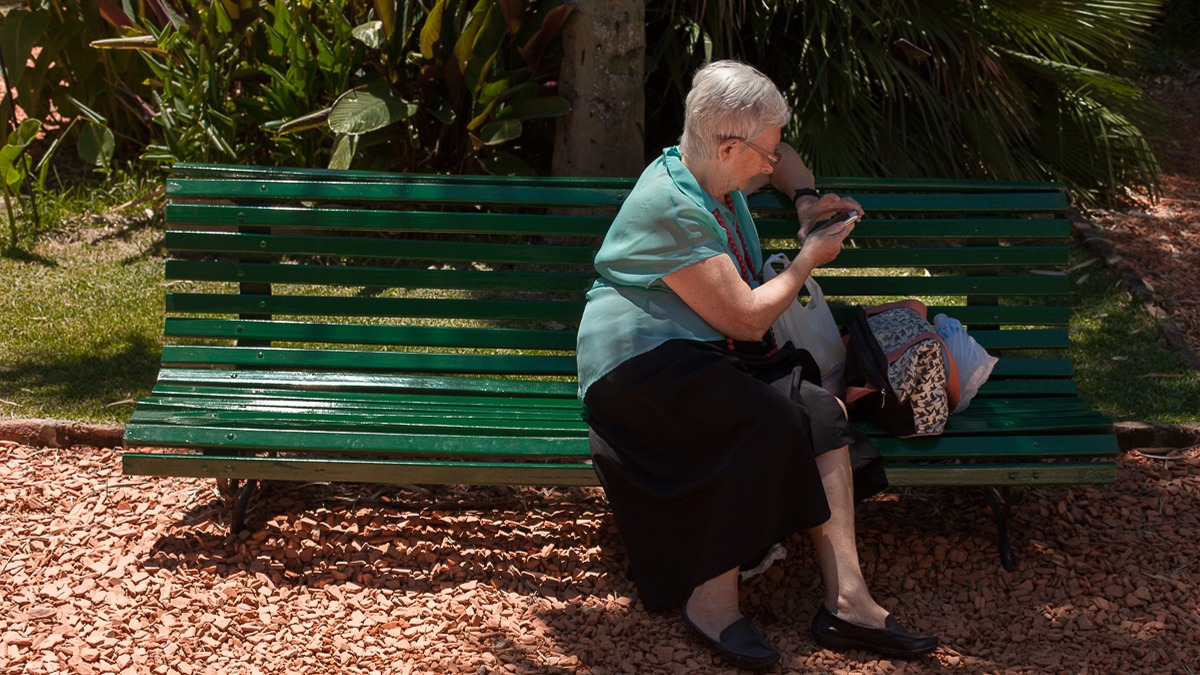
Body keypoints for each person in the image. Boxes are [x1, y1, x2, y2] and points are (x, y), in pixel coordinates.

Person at [576, 60, 939, 670]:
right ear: (727, 144)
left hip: (703, 353)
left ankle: (848, 601)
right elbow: (747, 319)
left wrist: (802, 199)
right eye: (762, 155)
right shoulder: (674, 206)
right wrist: (808, 258)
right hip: (638, 368)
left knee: (821, 412)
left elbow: (786, 152)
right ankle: (711, 602)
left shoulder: (706, 168)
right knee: (762, 419)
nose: (772, 163)